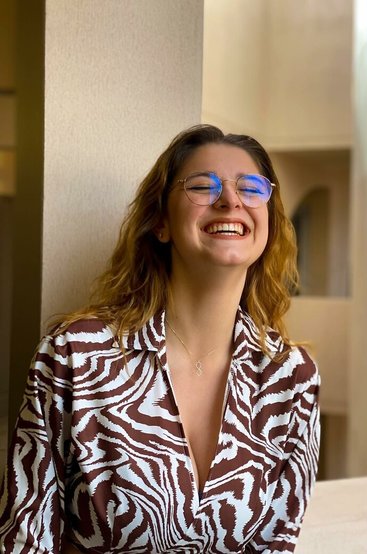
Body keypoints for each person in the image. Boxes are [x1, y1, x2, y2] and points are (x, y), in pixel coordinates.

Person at [0, 124, 320, 553]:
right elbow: (25, 539)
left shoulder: (291, 378)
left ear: (269, 223)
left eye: (251, 188)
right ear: (161, 222)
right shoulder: (75, 356)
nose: (230, 200)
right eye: (203, 186)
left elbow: (277, 542)